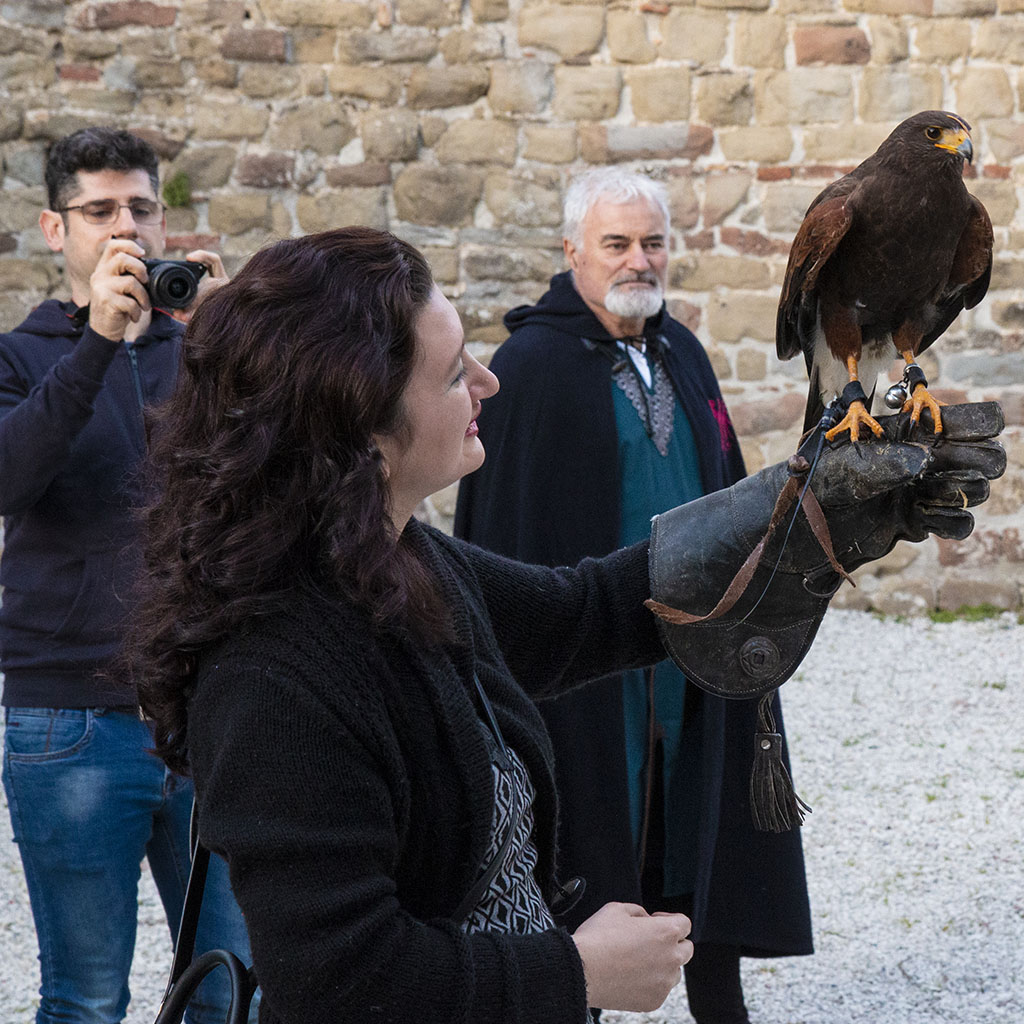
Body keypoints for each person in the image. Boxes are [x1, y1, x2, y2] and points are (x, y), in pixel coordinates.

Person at [126, 226, 1001, 1024]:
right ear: (361, 423)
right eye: (452, 370)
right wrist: (574, 971)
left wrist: (811, 510)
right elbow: (341, 981)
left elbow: (588, 612)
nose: (488, 382)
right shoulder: (273, 677)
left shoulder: (399, 563)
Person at [454, 168, 807, 1023]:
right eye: (616, 243)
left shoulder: (684, 352)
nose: (638, 260)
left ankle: (719, 1003)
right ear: (573, 251)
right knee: (592, 828)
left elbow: (728, 495)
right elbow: (498, 538)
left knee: (700, 817)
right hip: (583, 660)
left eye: (652, 242)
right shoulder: (528, 369)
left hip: (694, 646)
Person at [0, 126, 254, 1024]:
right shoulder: (20, 357)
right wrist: (99, 343)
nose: (125, 228)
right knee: (86, 999)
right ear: (51, 227)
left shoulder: (204, 355)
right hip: (69, 717)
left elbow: (278, 478)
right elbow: (9, 477)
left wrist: (237, 346)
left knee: (229, 993)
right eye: (99, 209)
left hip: (212, 705)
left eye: (142, 208)